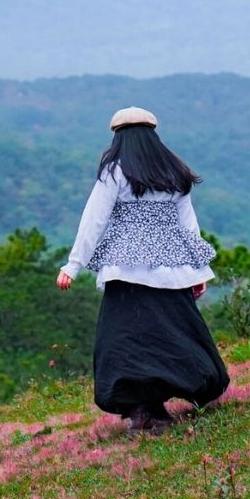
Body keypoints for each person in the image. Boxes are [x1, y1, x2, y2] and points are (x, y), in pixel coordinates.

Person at [55, 106, 229, 431]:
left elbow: (94, 219)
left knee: (128, 342)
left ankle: (145, 412)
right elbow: (188, 225)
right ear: (153, 135)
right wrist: (198, 270)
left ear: (119, 137)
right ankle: (167, 402)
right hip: (170, 267)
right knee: (173, 334)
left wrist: (73, 265)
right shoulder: (174, 171)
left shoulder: (116, 171)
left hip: (126, 269)